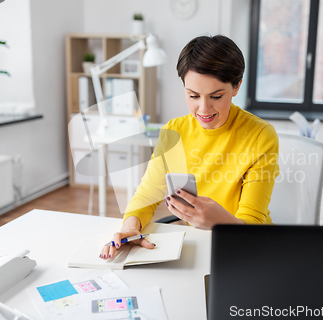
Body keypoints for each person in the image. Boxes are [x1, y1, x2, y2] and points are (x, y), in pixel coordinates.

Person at [100, 34, 279, 260]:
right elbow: (148, 193)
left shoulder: (260, 135)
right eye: (193, 95)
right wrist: (130, 225)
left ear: (236, 86)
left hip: (245, 245)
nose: (203, 108)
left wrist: (219, 221)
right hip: (197, 243)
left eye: (216, 96)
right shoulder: (174, 131)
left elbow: (252, 220)